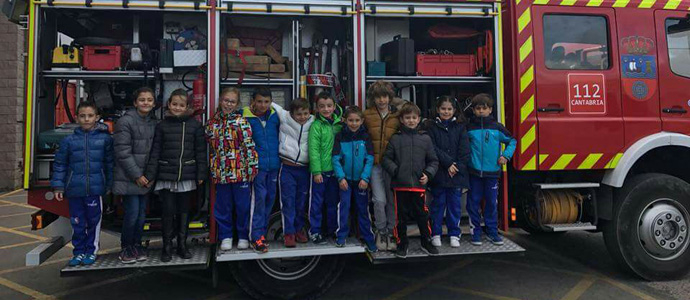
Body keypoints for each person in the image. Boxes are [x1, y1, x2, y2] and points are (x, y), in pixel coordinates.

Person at [144, 89, 208, 262]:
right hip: (166, 176)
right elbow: (155, 152)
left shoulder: (195, 126)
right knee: (167, 212)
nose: (177, 108)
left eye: (181, 105)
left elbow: (201, 152)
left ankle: (182, 245)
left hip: (187, 177)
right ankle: (167, 247)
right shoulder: (162, 126)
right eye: (174, 104)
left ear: (187, 106)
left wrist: (201, 173)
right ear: (168, 105)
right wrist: (150, 174)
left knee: (184, 212)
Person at [51, 101, 114, 266]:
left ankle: (91, 251)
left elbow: (109, 164)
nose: (86, 119)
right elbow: (60, 165)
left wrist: (109, 185)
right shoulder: (68, 141)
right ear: (77, 118)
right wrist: (58, 186)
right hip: (74, 190)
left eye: (90, 116)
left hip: (95, 190)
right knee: (77, 223)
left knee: (94, 222)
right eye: (83, 116)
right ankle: (78, 252)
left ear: (97, 118)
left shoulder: (105, 140)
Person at [382, 103, 439, 258]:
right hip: (400, 186)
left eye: (414, 118)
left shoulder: (425, 139)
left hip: (419, 187)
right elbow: (386, 159)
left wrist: (428, 174)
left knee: (422, 215)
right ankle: (402, 243)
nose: (411, 121)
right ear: (402, 119)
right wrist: (396, 171)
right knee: (400, 217)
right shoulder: (396, 139)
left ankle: (426, 241)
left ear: (419, 119)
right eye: (408, 118)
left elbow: (433, 161)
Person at [207, 87, 258, 251]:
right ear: (221, 100)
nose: (228, 104)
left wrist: (252, 167)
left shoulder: (241, 122)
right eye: (226, 100)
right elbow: (210, 146)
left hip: (240, 172)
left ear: (237, 105)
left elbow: (249, 146)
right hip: (221, 173)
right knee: (223, 207)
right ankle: (226, 236)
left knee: (242, 206)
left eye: (232, 102)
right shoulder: (212, 123)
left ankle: (243, 236)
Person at [113, 87, 157, 264]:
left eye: (149, 100)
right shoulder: (125, 122)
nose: (145, 103)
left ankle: (137, 245)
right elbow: (122, 152)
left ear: (154, 104)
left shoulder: (153, 123)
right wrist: (137, 175)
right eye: (142, 100)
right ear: (135, 102)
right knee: (131, 214)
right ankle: (126, 247)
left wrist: (149, 175)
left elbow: (155, 151)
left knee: (141, 215)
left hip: (145, 179)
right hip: (130, 178)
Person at [466, 93, 516, 246]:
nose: (481, 111)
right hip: (474, 172)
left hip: (492, 173)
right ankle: (475, 232)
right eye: (478, 108)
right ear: (473, 110)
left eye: (484, 108)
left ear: (490, 110)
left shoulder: (497, 127)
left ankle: (492, 232)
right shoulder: (469, 127)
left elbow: (512, 141)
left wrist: (506, 156)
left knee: (492, 203)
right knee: (473, 202)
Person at [424, 96, 470, 248]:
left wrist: (457, 167)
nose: (446, 112)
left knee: (454, 207)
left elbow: (465, 151)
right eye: (443, 109)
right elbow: (432, 149)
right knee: (437, 205)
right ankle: (435, 234)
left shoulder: (460, 127)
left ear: (454, 110)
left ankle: (454, 234)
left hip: (456, 174)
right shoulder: (431, 127)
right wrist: (448, 163)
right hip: (439, 173)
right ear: (437, 109)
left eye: (449, 109)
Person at [331, 106, 377, 252]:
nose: (354, 123)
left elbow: (369, 159)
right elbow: (336, 159)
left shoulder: (365, 136)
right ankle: (341, 236)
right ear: (344, 120)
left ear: (362, 121)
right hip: (345, 181)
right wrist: (340, 178)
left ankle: (368, 238)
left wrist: (365, 178)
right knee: (344, 207)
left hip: (361, 182)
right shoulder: (340, 136)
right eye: (350, 120)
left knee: (362, 209)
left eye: (357, 120)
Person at [363, 80, 400, 252]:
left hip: (392, 165)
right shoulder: (367, 115)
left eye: (384, 96)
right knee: (379, 200)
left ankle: (392, 231)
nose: (382, 100)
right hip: (375, 165)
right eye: (378, 97)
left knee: (392, 201)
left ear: (390, 97)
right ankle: (381, 230)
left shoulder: (397, 115)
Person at [243, 87, 280, 253]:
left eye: (266, 101)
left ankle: (262, 234)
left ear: (271, 102)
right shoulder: (245, 118)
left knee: (270, 199)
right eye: (259, 101)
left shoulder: (275, 116)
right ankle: (255, 236)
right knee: (258, 200)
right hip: (257, 169)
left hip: (274, 167)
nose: (263, 105)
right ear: (253, 101)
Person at [273, 98, 314, 247]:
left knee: (301, 202)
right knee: (288, 202)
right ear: (292, 113)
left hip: (304, 169)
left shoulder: (313, 121)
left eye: (305, 113)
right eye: (299, 114)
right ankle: (288, 233)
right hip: (288, 168)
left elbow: (329, 116)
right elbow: (271, 104)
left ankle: (298, 230)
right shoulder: (284, 117)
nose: (303, 117)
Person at [308, 91, 343, 244]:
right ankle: (315, 231)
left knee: (333, 203)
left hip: (336, 172)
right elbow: (313, 150)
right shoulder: (316, 126)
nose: (326, 109)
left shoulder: (340, 125)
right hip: (321, 172)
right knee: (316, 203)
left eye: (329, 106)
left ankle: (332, 230)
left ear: (334, 106)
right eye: (322, 106)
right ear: (316, 108)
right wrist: (316, 171)